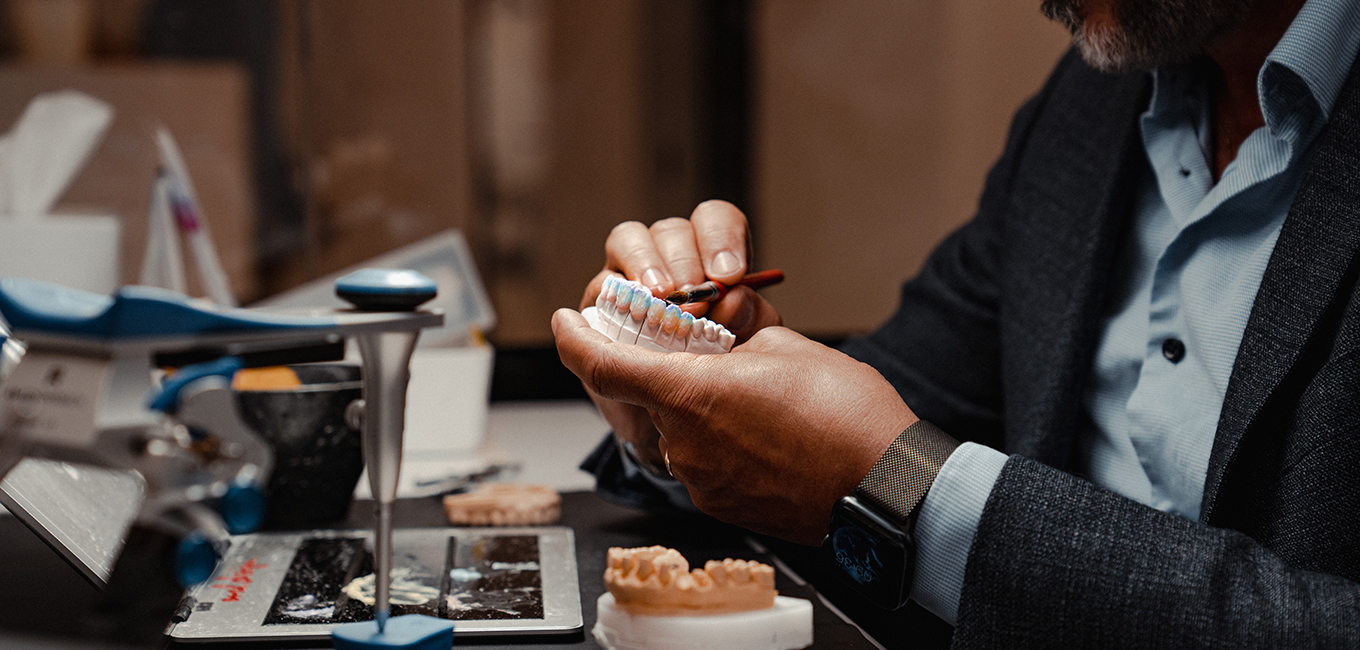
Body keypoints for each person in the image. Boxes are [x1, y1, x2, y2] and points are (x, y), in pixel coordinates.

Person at [552, 0, 1360, 645]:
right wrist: (679, 400)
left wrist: (907, 488)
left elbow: (882, 463)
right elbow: (843, 435)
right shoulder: (1091, 104)